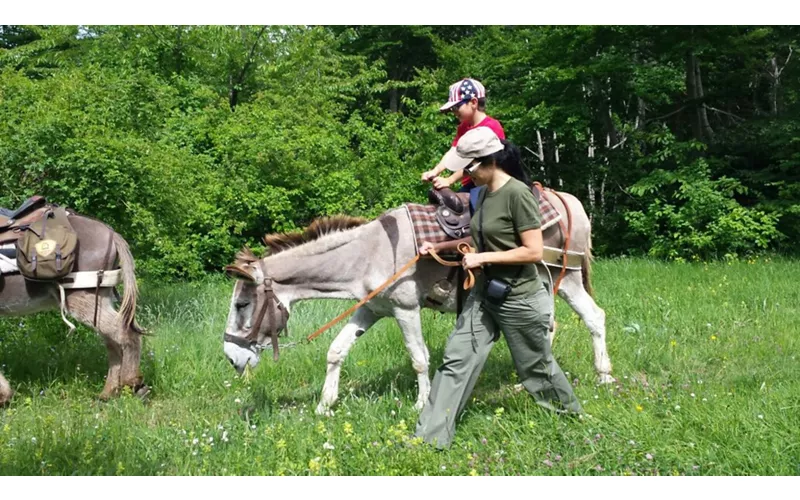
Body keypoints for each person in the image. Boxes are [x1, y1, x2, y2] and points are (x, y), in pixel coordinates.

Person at [415, 127, 582, 449]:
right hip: (484, 295)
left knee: (535, 366)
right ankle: (429, 439)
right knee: (456, 360)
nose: (463, 174)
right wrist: (439, 245)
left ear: (486, 161)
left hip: (520, 297)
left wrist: (484, 258)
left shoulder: (517, 194)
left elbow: (533, 251)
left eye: (468, 167)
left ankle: (570, 420)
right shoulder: (481, 195)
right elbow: (479, 240)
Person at [421, 78, 505, 195]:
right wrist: (435, 171)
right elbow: (453, 152)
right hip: (471, 183)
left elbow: (475, 164)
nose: (453, 112)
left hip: (487, 183)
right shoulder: (463, 127)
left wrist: (449, 180)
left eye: (456, 107)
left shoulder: (491, 127)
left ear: (473, 103)